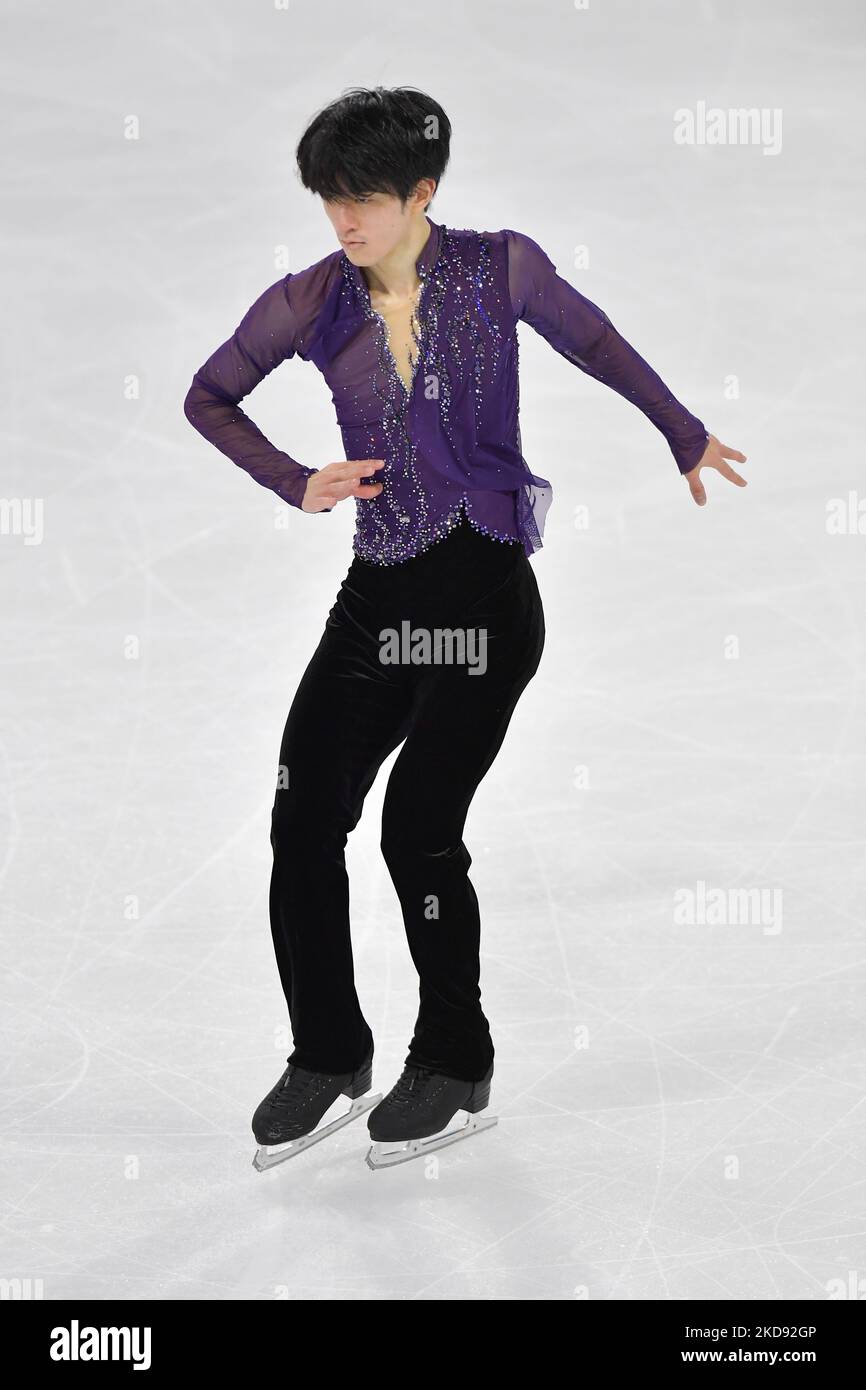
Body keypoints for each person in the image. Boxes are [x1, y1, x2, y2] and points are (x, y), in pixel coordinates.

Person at [183, 85, 747, 1170]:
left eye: (362, 199)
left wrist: (680, 430)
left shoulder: (500, 268)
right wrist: (293, 479)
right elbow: (209, 394)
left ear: (420, 193)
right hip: (379, 602)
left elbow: (596, 341)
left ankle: (453, 1059)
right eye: (328, 200)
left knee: (414, 829)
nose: (341, 221)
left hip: (482, 606)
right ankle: (327, 1051)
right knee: (302, 821)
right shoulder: (307, 303)